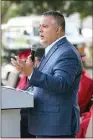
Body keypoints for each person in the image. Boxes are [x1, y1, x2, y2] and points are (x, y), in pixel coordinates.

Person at [11, 11, 82, 138]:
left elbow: (62, 83)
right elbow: (45, 81)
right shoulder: (52, 50)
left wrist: (32, 73)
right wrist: (28, 71)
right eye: (39, 27)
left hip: (57, 126)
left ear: (58, 29)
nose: (40, 30)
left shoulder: (66, 53)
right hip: (46, 124)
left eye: (45, 26)